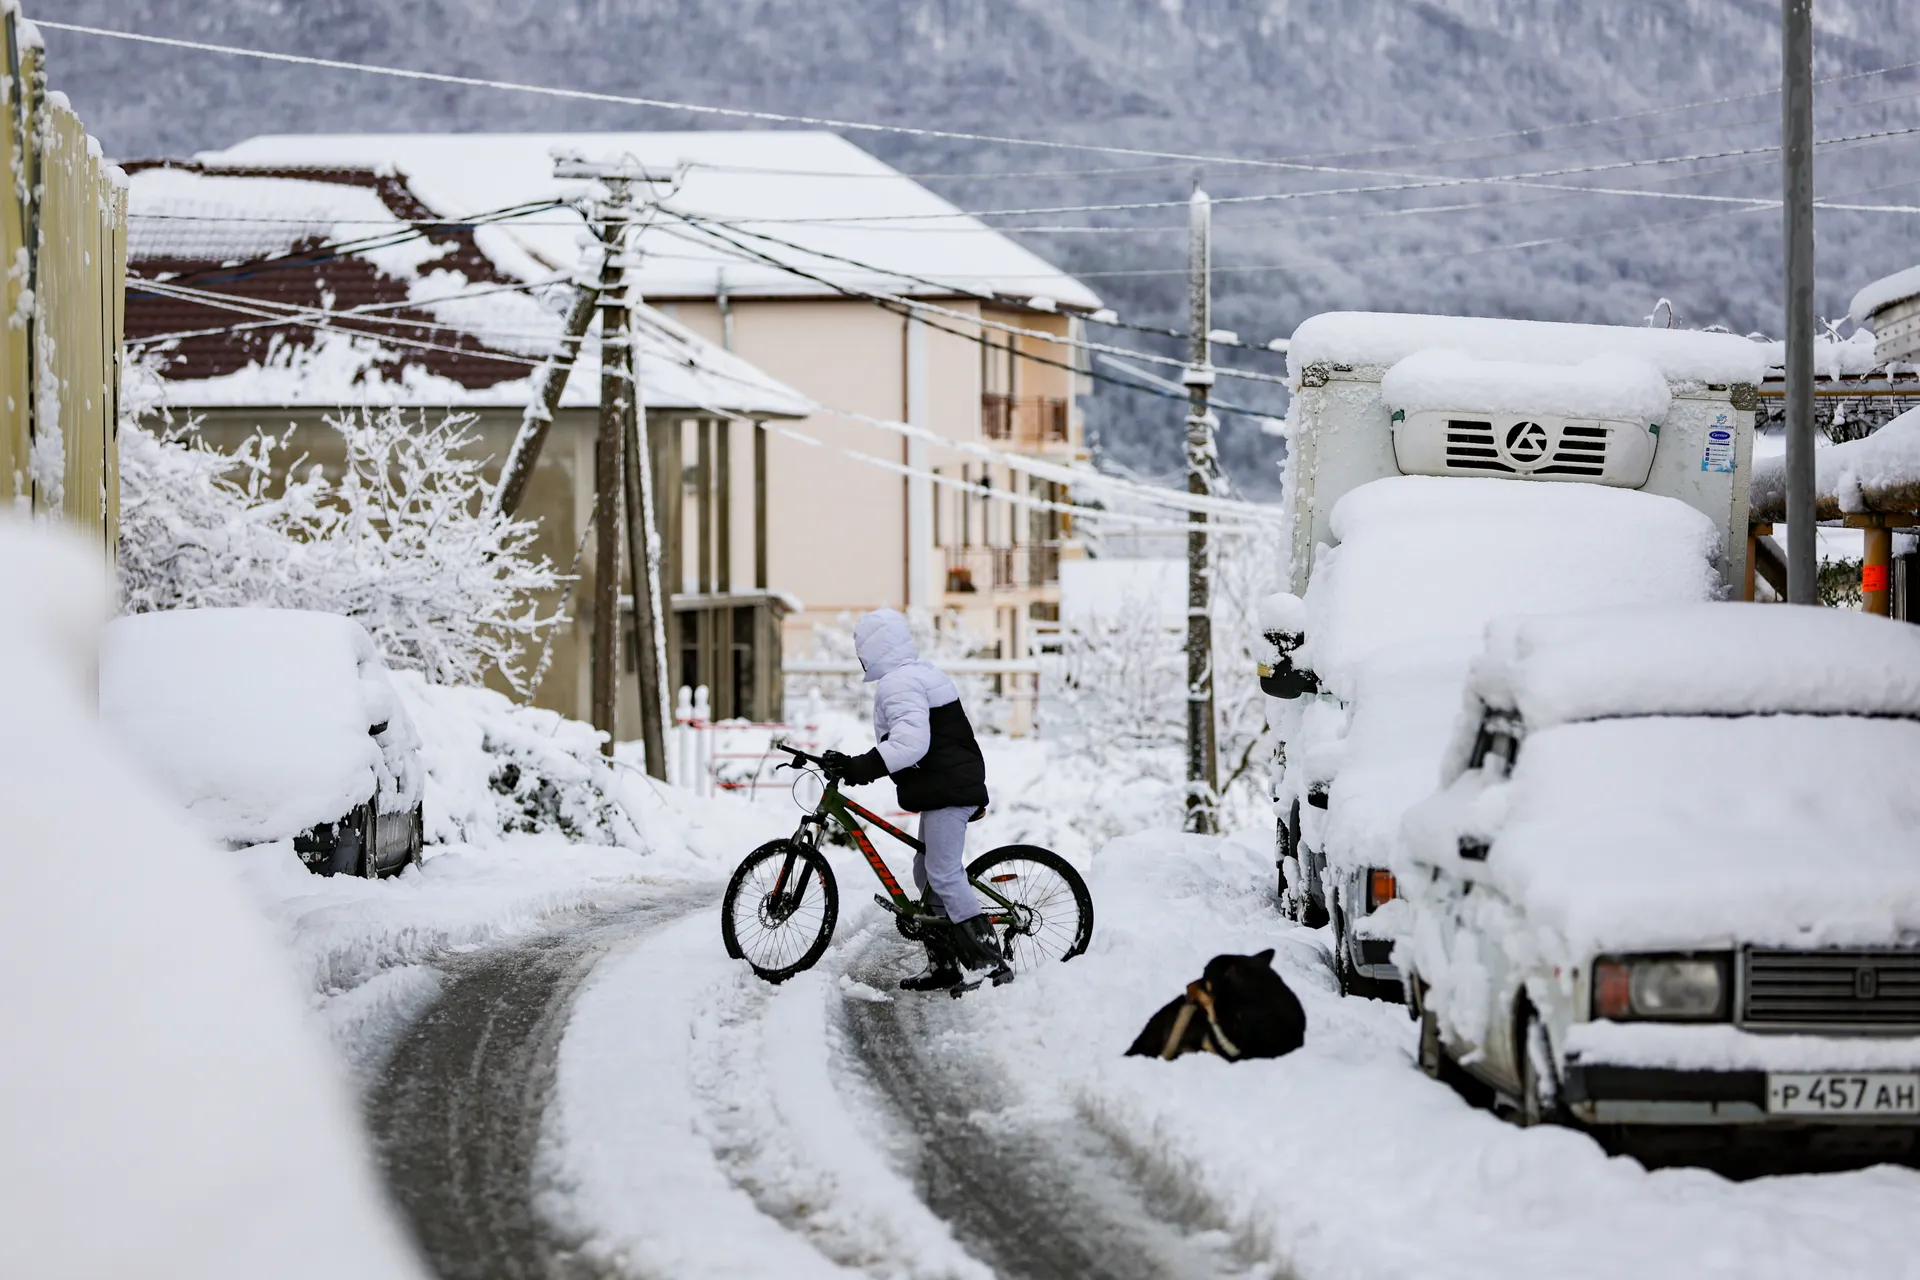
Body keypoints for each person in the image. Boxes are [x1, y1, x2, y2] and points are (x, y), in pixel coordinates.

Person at [823, 609, 1008, 991]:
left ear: (872, 649)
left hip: (948, 789)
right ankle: (944, 966)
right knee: (926, 874)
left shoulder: (899, 682)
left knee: (942, 871)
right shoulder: (919, 672)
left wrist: (860, 768)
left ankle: (989, 963)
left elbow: (910, 743)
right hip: (947, 783)